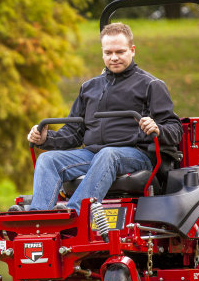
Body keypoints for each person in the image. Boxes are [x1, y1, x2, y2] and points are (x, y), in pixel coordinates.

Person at [25, 22, 182, 214]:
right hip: (93, 154)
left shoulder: (151, 85)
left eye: (120, 52)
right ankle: (38, 220)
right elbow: (74, 133)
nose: (114, 58)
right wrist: (46, 139)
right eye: (108, 53)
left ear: (132, 50)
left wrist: (157, 128)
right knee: (48, 160)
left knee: (108, 154)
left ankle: (75, 215)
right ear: (102, 53)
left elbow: (175, 128)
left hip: (135, 154)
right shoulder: (89, 88)